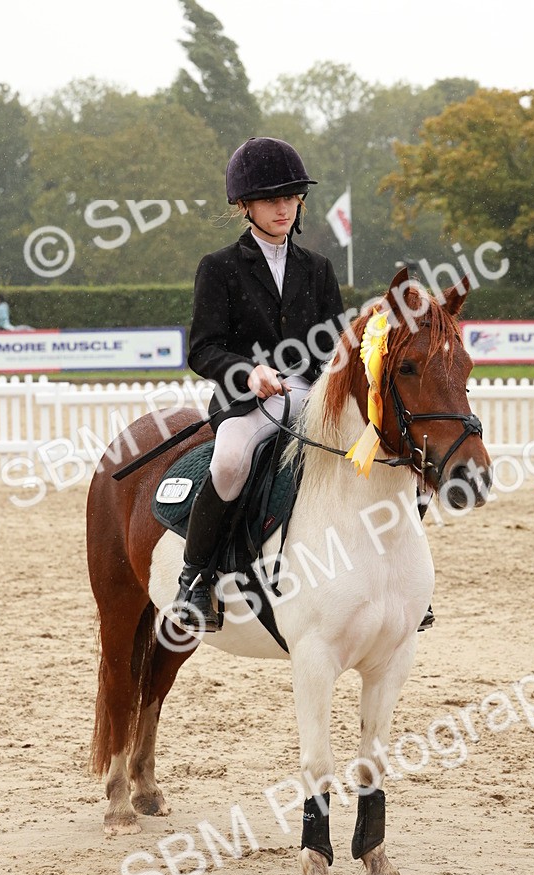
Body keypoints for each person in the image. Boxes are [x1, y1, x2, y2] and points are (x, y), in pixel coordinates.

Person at [175, 136, 344, 631]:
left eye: (291, 198)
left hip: (310, 396)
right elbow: (203, 349)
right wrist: (249, 372)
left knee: (376, 449)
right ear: (245, 206)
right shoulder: (219, 267)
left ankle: (394, 578)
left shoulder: (318, 268)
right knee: (229, 463)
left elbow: (335, 345)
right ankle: (195, 578)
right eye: (271, 200)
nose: (284, 208)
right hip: (247, 400)